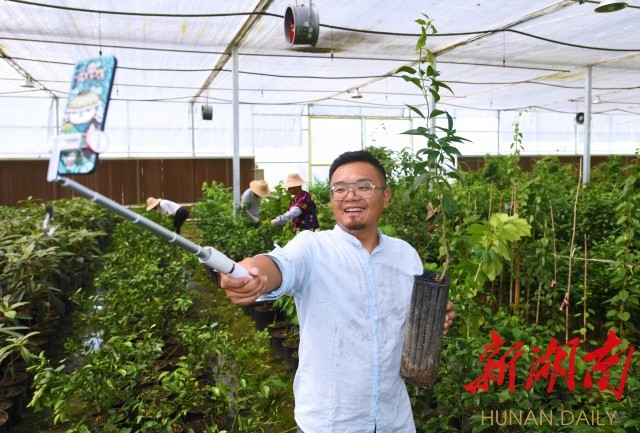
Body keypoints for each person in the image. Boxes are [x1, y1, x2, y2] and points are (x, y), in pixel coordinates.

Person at [220, 150, 456, 433]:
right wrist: (251, 273)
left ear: (386, 196)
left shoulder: (405, 256)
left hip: (395, 419)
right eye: (340, 189)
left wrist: (434, 319)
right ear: (331, 198)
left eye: (363, 187)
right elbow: (278, 265)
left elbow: (410, 320)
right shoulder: (312, 248)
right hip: (331, 422)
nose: (351, 196)